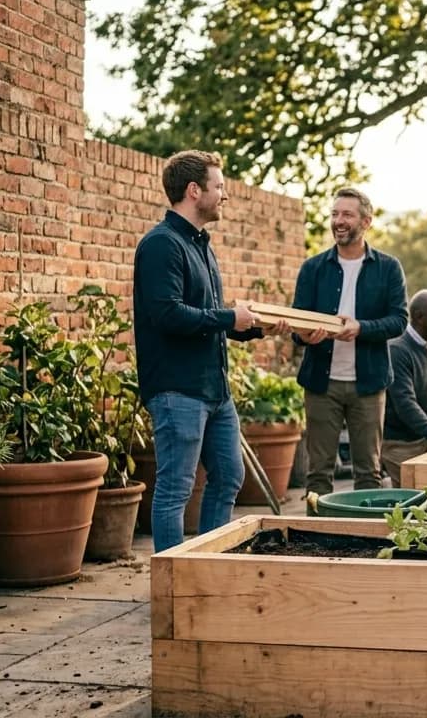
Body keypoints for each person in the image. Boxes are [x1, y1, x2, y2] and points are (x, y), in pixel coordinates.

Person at [133, 150, 290, 553]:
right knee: (175, 490)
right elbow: (168, 315)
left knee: (229, 477)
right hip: (177, 391)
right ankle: (173, 585)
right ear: (193, 190)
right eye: (219, 187)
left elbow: (209, 318)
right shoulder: (160, 245)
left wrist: (256, 326)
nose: (224, 195)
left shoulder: (201, 245)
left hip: (215, 392)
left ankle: (208, 564)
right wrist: (228, 318)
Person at [293, 186, 407, 495]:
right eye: (334, 214)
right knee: (317, 474)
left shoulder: (388, 268)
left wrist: (361, 328)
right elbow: (296, 324)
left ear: (366, 221)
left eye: (347, 214)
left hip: (368, 384)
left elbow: (400, 320)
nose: (338, 221)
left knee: (368, 473)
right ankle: (313, 539)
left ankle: (361, 540)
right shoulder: (313, 268)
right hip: (320, 383)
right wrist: (306, 334)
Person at [380, 290, 427, 487]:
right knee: (412, 499)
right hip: (399, 445)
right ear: (419, 317)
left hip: (426, 441)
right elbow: (406, 404)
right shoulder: (397, 350)